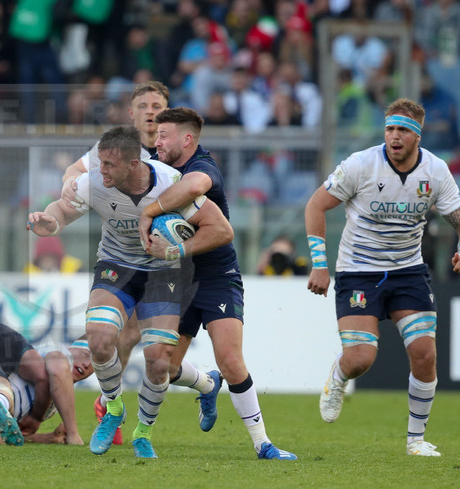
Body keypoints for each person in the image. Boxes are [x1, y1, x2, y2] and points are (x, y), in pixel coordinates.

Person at [28, 125, 234, 459]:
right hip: (116, 265)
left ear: (133, 164)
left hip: (164, 272)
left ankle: (143, 432)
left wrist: (175, 251)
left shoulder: (171, 184)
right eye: (101, 163)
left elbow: (222, 230)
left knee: (158, 359)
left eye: (109, 165)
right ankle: (113, 410)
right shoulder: (94, 181)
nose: (101, 170)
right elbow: (61, 211)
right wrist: (48, 223)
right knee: (98, 337)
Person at [137, 107, 298, 460]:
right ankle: (206, 384)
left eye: (164, 136)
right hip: (174, 280)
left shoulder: (203, 168)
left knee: (230, 359)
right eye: (156, 135)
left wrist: (154, 218)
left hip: (216, 277)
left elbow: (198, 191)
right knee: (164, 365)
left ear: (187, 139)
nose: (157, 141)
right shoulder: (156, 164)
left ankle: (263, 444)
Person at [304, 98, 460, 457]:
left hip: (408, 271)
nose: (394, 136)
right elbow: (316, 205)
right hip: (359, 271)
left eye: (403, 130)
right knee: (360, 358)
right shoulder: (360, 165)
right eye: (390, 128)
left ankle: (416, 440)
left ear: (418, 136)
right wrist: (319, 263)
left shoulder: (435, 172)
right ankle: (339, 377)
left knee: (424, 353)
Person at [60, 81, 170, 445]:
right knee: (117, 335)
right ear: (131, 112)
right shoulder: (112, 149)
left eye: (157, 105)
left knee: (153, 349)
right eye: (143, 105)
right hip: (121, 259)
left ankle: (203, 385)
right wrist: (73, 195)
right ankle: (107, 407)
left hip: (168, 262)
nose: (150, 111)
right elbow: (72, 178)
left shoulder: (176, 154)